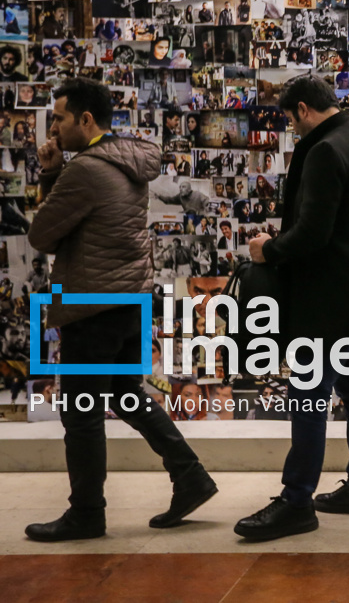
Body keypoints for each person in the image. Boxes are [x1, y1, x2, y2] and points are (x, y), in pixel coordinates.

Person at [24, 78, 217, 542]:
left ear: (86, 121)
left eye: (60, 118)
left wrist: (49, 174)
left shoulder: (85, 170)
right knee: (123, 393)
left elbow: (41, 235)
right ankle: (190, 476)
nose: (53, 129)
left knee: (81, 411)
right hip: (128, 299)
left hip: (92, 303)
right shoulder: (130, 160)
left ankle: (87, 513)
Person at [235, 74, 349, 542]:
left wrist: (268, 249)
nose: (291, 127)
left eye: (289, 118)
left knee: (308, 393)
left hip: (325, 300)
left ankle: (297, 500)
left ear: (302, 109)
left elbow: (314, 234)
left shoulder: (323, 150)